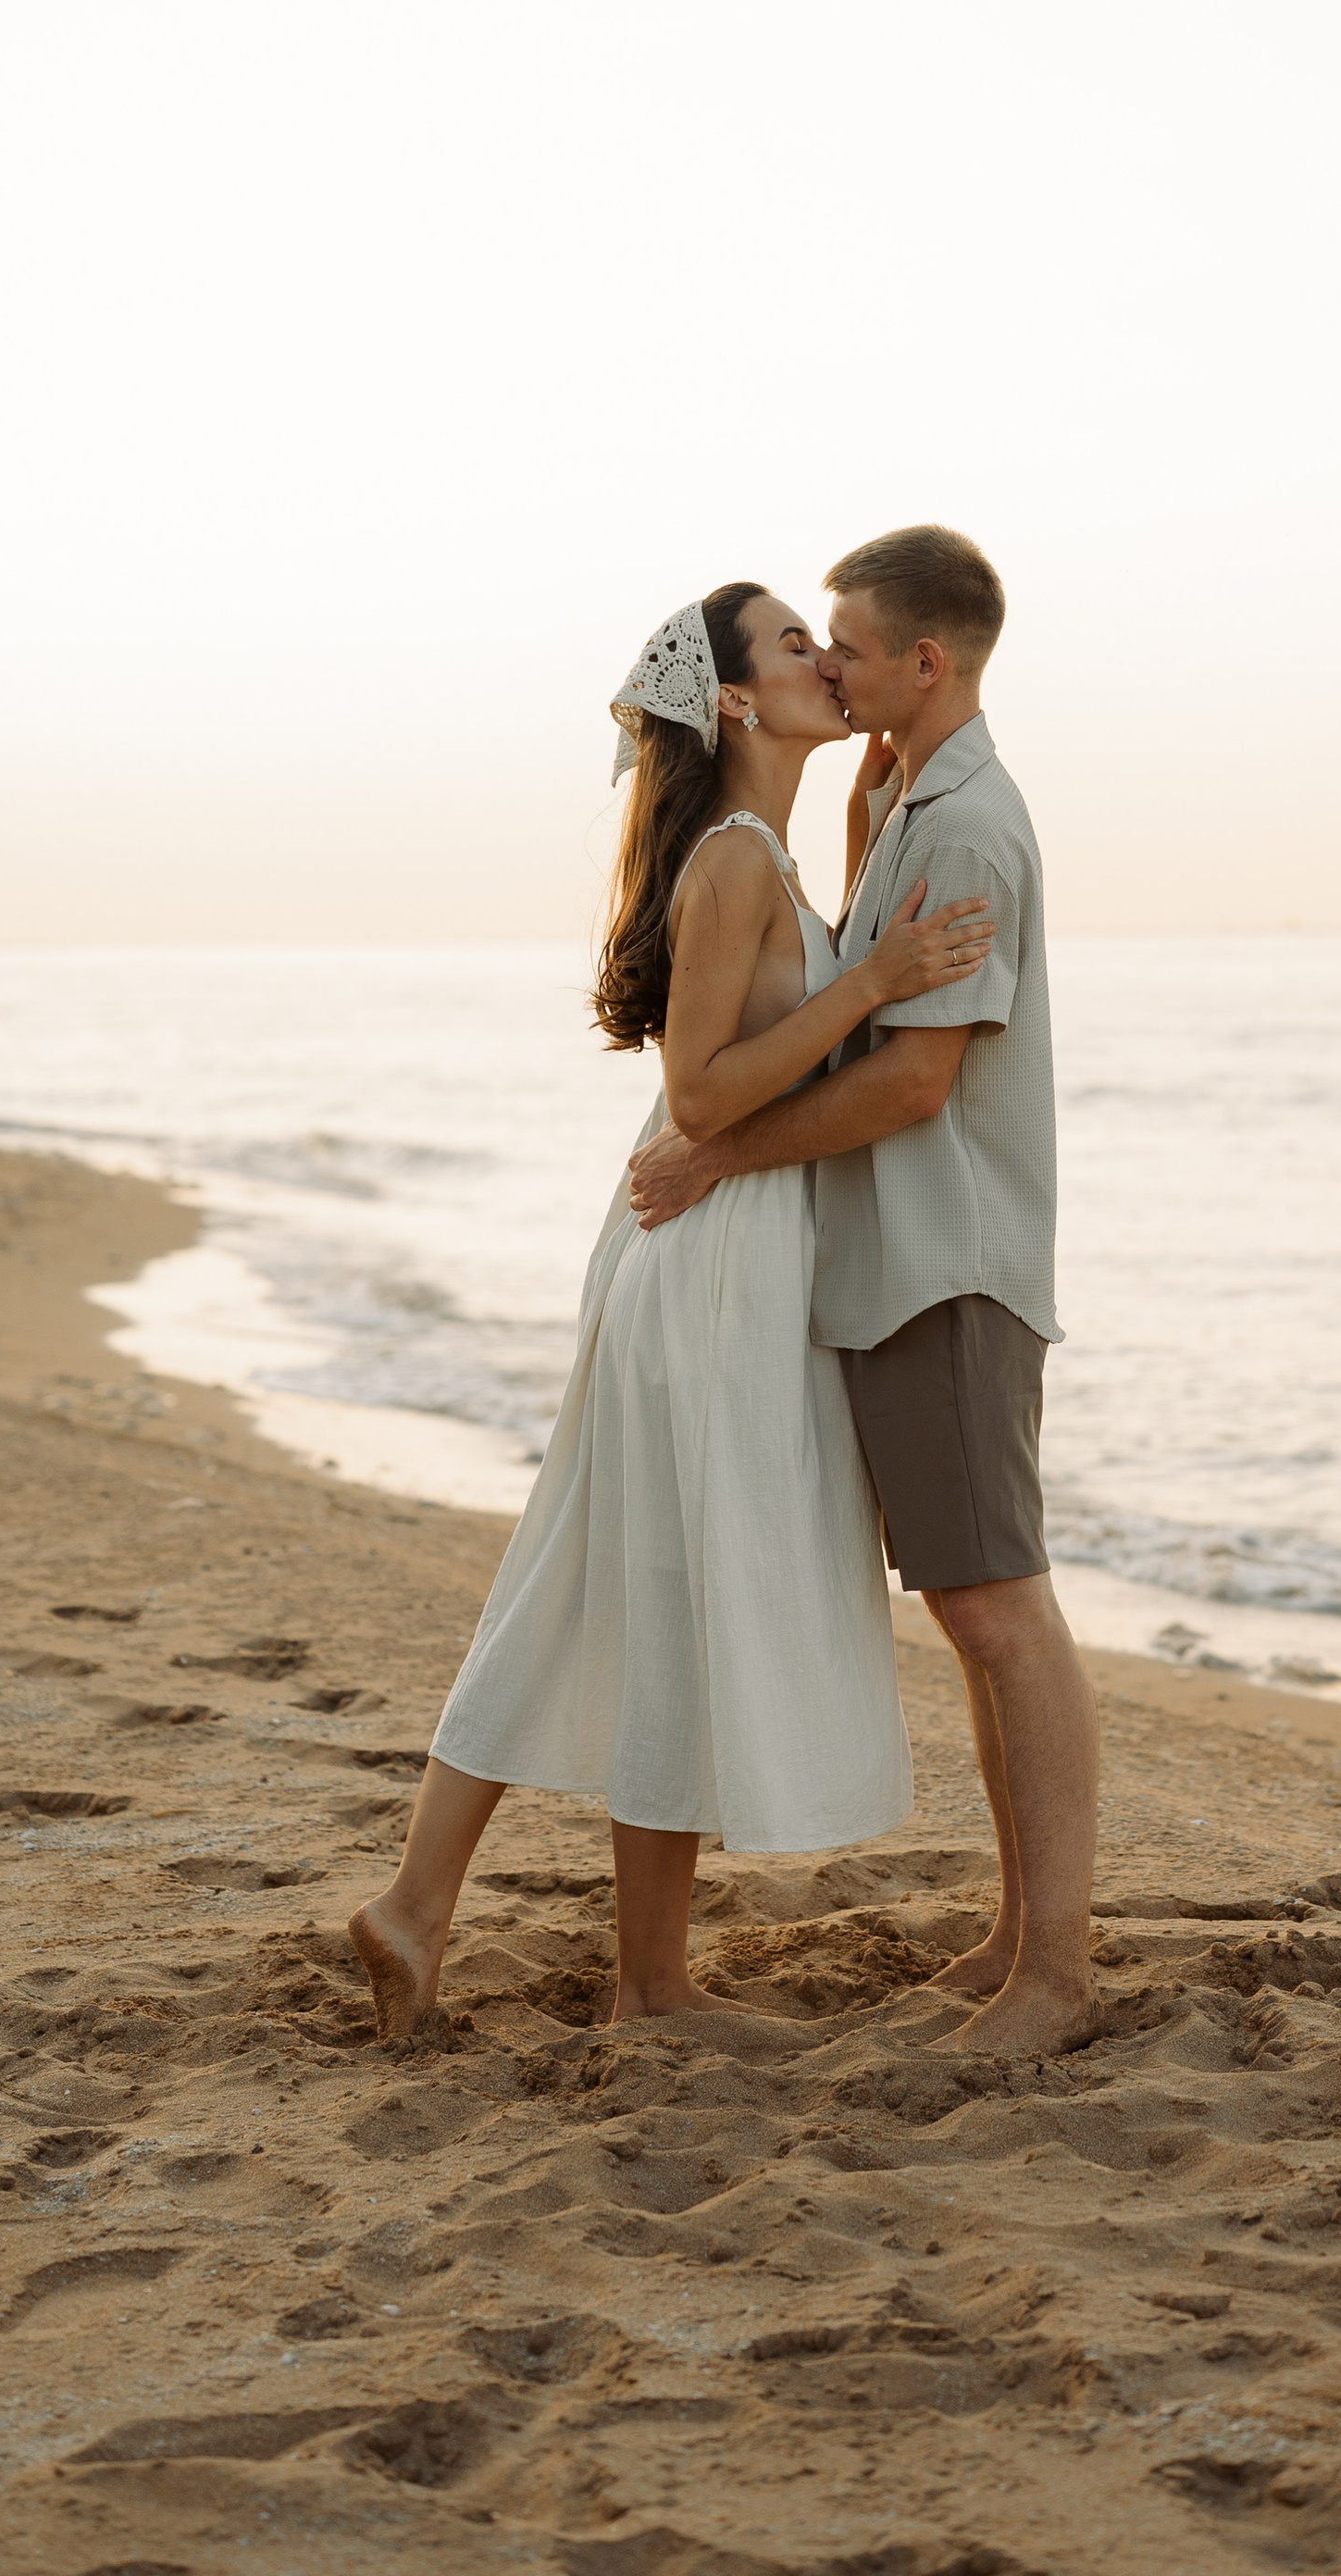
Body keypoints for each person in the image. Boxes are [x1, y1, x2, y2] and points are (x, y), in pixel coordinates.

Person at [347, 583, 993, 2041]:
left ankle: (463, 1923)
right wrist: (878, 978)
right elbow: (702, 1093)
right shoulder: (728, 863)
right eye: (791, 646)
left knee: (615, 1587)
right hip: (709, 1262)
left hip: (717, 1252)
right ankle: (631, 1981)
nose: (825, 660)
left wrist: (879, 803)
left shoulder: (762, 848)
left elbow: (752, 1040)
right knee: (647, 1589)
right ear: (737, 706)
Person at [629, 525, 1099, 2058]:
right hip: (884, 1264)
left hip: (944, 1256)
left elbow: (908, 1089)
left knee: (999, 1605)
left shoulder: (965, 827)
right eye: (806, 645)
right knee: (969, 1608)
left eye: (846, 644)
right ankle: (1014, 1940)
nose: (825, 665)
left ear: (927, 661)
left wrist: (718, 1158)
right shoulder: (889, 792)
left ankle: (1057, 1978)